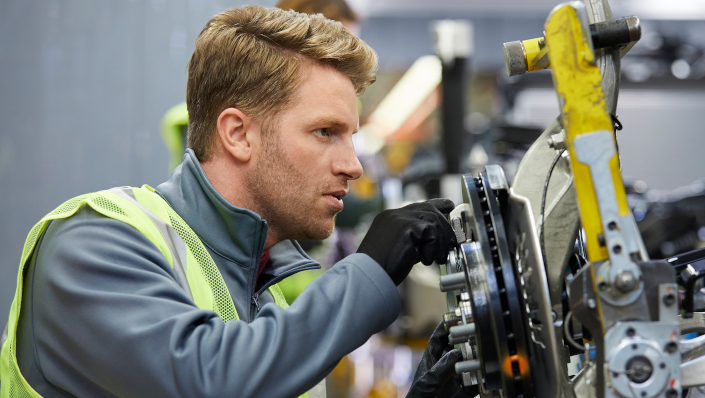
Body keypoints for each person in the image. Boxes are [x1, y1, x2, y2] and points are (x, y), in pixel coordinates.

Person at [0, 6, 468, 398]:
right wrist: (372, 267)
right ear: (239, 134)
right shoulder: (90, 243)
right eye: (325, 132)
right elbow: (211, 380)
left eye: (351, 138)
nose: (353, 165)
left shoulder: (270, 301)